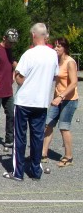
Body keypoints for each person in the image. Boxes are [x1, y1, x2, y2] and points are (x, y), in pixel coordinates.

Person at [3, 23, 59, 181]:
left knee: (20, 137)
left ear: (34, 35)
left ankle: (18, 172)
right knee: (37, 137)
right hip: (41, 102)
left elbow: (19, 77)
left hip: (25, 101)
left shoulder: (29, 54)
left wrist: (27, 80)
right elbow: (55, 75)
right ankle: (35, 171)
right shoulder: (52, 54)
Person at [41, 37, 78, 167]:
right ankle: (43, 153)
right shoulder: (56, 62)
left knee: (64, 127)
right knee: (48, 124)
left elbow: (74, 83)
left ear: (65, 48)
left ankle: (69, 157)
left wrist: (60, 96)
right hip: (57, 100)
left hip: (69, 100)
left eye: (59, 46)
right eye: (55, 46)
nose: (56, 48)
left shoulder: (70, 62)